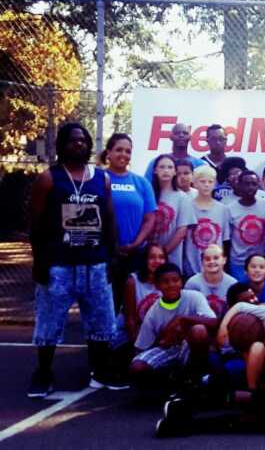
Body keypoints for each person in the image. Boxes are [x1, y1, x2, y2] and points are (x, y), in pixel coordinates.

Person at [28, 123, 125, 397]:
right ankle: (43, 372)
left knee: (101, 320)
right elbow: (35, 223)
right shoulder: (49, 178)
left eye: (83, 140)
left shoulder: (100, 178)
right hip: (59, 263)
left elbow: (109, 218)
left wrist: (113, 255)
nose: (78, 144)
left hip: (95, 262)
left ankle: (101, 371)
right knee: (49, 321)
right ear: (61, 145)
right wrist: (40, 262)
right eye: (72, 141)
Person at [130, 263, 217, 391]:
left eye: (175, 280)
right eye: (165, 282)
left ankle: (196, 378)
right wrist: (164, 339)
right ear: (157, 285)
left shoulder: (194, 296)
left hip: (190, 348)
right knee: (137, 367)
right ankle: (170, 381)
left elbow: (214, 322)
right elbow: (141, 347)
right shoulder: (153, 312)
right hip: (168, 349)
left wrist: (182, 319)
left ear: (181, 281)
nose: (171, 285)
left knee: (199, 330)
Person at [101, 133, 156, 296]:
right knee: (107, 303)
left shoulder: (141, 183)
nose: (124, 155)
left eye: (128, 151)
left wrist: (136, 244)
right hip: (105, 253)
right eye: (119, 150)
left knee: (132, 302)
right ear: (108, 152)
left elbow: (149, 218)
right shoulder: (97, 179)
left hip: (135, 255)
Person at [149, 154, 197, 270]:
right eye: (162, 167)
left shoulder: (182, 197)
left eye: (170, 167)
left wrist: (163, 253)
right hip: (148, 255)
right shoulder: (148, 194)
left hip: (172, 256)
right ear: (155, 170)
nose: (166, 171)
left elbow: (182, 230)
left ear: (175, 172)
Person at [224, 170, 265, 282]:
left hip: (260, 263)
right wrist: (226, 264)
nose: (250, 187)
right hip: (238, 263)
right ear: (239, 185)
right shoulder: (229, 209)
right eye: (246, 184)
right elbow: (227, 240)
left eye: (253, 184)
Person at [184, 166, 230, 278]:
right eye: (202, 181)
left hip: (215, 268)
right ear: (194, 183)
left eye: (210, 181)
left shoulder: (222, 209)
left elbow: (224, 240)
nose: (206, 185)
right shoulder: (187, 206)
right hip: (191, 266)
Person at [122, 243, 165, 342]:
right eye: (152, 257)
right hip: (131, 330)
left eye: (161, 257)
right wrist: (137, 343)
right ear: (145, 259)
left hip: (154, 332)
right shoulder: (132, 281)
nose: (157, 261)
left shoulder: (168, 281)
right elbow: (130, 319)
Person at [185, 244, 238, 318]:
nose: (211, 261)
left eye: (216, 258)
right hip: (200, 323)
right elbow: (188, 311)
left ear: (224, 260)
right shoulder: (192, 283)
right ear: (202, 262)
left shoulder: (233, 284)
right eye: (207, 259)